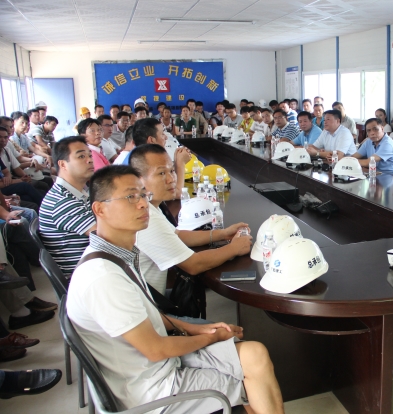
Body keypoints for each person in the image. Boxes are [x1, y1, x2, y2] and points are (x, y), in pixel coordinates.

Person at [67, 165, 284, 413]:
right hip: (154, 389)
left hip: (161, 364)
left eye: (143, 195)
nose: (142, 204)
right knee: (251, 384)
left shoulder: (117, 254)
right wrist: (211, 337)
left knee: (255, 354)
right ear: (100, 209)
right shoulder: (103, 277)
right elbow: (156, 350)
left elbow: (144, 314)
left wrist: (193, 328)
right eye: (130, 197)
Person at [130, 144, 254, 295]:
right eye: (161, 173)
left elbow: (178, 235)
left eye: (172, 171)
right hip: (151, 305)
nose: (171, 179)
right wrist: (235, 248)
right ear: (138, 180)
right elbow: (193, 264)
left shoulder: (151, 207)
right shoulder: (145, 218)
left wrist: (222, 234)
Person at [40, 136, 96, 277]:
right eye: (81, 156)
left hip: (94, 264)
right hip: (85, 276)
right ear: (63, 164)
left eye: (90, 155)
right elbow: (108, 236)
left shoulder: (79, 192)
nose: (90, 160)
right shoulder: (62, 201)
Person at [129, 118, 191, 198]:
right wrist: (180, 163)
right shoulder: (142, 161)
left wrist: (176, 161)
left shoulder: (139, 155)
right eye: (162, 134)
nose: (166, 137)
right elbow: (176, 194)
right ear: (151, 140)